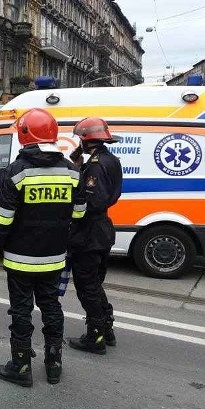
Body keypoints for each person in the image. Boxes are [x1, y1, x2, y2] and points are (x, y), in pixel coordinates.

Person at [0, 108, 86, 387]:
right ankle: (53, 364)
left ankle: (20, 366)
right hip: (54, 258)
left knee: (21, 310)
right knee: (51, 306)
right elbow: (79, 214)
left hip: (19, 259)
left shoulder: (17, 172)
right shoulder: (71, 171)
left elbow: (1, 219)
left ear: (24, 135)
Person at [67, 117, 122, 354]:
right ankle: (106, 328)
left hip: (89, 234)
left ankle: (95, 337)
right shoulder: (111, 160)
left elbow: (92, 202)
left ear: (86, 139)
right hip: (102, 232)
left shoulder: (96, 166)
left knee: (86, 286)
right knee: (94, 284)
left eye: (80, 138)